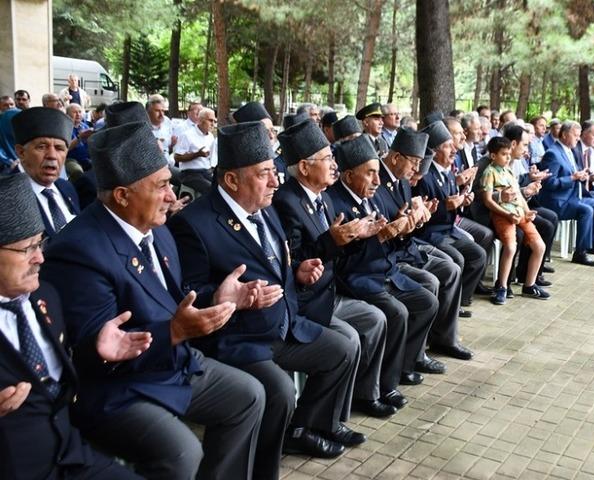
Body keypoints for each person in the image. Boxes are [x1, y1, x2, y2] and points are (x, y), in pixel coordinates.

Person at [42, 120, 266, 480]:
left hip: (172, 365)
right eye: (161, 186)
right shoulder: (78, 251)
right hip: (118, 388)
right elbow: (93, 356)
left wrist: (220, 298)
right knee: (181, 451)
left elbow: (173, 303)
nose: (172, 196)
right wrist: (174, 332)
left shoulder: (157, 230)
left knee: (249, 395)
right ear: (122, 196)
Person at [170, 121, 363, 465]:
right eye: (264, 174)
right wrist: (224, 297)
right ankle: (262, 467)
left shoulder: (266, 206)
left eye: (274, 171)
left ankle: (304, 430)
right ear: (231, 180)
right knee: (280, 391)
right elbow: (186, 295)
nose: (276, 180)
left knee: (342, 350)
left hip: (283, 325)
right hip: (237, 339)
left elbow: (280, 261)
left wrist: (297, 273)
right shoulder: (195, 223)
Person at [0, 173, 149, 480]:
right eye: (27, 248)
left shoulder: (46, 294)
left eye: (40, 242)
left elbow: (60, 372)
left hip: (71, 455)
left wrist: (95, 351)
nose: (40, 257)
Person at [273, 121, 400, 419]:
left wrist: (359, 237)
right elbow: (294, 260)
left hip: (327, 291)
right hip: (307, 300)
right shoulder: (287, 201)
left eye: (332, 158)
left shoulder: (323, 198)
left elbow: (336, 251)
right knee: (356, 335)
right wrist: (332, 240)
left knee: (373, 321)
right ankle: (321, 420)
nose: (333, 165)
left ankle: (358, 402)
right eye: (327, 159)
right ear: (304, 167)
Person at [328, 135, 439, 387]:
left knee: (426, 301)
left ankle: (404, 365)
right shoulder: (337, 204)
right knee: (396, 313)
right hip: (355, 279)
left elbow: (384, 236)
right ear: (348, 177)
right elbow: (344, 262)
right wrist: (383, 236)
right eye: (370, 174)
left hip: (381, 270)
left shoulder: (370, 195)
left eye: (378, 173)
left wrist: (399, 229)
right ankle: (380, 387)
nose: (378, 181)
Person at [376, 128, 473, 360]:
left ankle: (443, 338)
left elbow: (405, 219)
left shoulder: (402, 180)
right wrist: (404, 226)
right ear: (396, 157)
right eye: (414, 163)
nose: (416, 170)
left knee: (451, 268)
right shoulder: (379, 182)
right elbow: (385, 225)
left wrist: (417, 219)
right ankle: (415, 355)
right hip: (392, 255)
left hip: (405, 246)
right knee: (433, 280)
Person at [414, 121, 490, 307]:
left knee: (479, 254)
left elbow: (453, 204)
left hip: (448, 230)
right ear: (435, 151)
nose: (454, 150)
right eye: (448, 146)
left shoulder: (447, 173)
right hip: (431, 233)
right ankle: (449, 306)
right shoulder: (425, 175)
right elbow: (425, 214)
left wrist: (463, 199)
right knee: (457, 259)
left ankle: (462, 300)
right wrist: (446, 206)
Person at [480, 136, 550, 305]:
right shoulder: (489, 172)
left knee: (539, 246)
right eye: (504, 154)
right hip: (503, 215)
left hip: (519, 213)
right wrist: (506, 214)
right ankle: (502, 287)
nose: (508, 157)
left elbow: (518, 195)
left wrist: (527, 212)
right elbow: (487, 200)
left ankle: (529, 284)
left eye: (508, 154)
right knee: (511, 247)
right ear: (493, 156)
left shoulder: (509, 171)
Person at [537, 121, 594, 267]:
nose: (578, 138)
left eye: (578, 135)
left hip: (572, 196)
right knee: (586, 210)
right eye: (575, 135)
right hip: (557, 201)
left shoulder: (569, 150)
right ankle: (580, 253)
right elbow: (549, 183)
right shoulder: (553, 154)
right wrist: (572, 178)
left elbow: (572, 173)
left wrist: (581, 175)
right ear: (563, 135)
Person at [11, 107, 80, 238]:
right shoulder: (6, 197)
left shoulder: (67, 187)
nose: (52, 156)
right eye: (41, 147)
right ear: (21, 152)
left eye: (59, 148)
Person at [173, 107, 217, 195]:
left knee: (222, 188)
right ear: (201, 120)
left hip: (206, 172)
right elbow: (177, 157)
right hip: (189, 173)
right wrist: (198, 154)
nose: (213, 124)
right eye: (210, 121)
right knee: (210, 189)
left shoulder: (210, 136)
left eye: (214, 121)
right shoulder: (187, 135)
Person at [65, 103, 93, 174]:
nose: (78, 114)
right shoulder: (65, 128)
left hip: (87, 158)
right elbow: (65, 148)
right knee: (77, 171)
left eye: (80, 112)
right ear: (67, 115)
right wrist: (79, 137)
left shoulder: (85, 126)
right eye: (74, 112)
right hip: (71, 159)